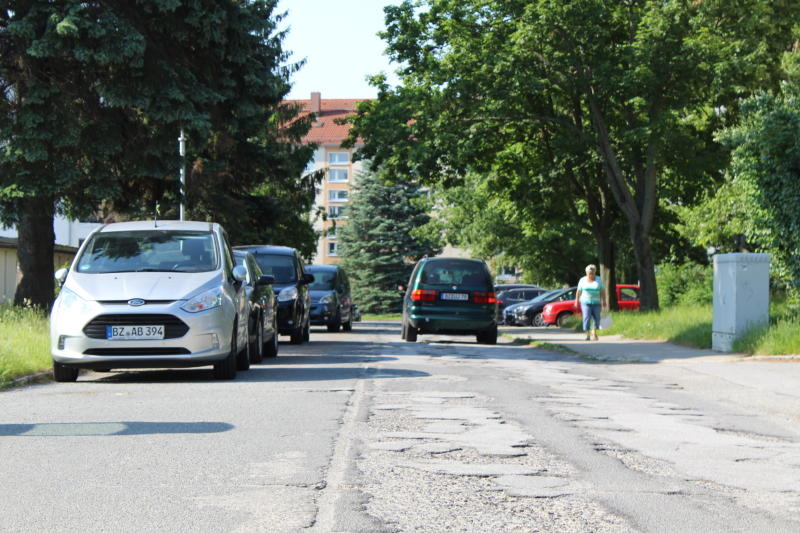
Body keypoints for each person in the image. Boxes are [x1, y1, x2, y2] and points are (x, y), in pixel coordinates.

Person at [574, 264, 605, 340]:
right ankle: (587, 334)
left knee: (597, 318)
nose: (591, 275)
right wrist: (576, 301)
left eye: (592, 273)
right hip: (585, 302)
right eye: (589, 273)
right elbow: (578, 291)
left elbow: (602, 291)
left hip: (596, 302)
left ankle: (594, 332)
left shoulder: (599, 279)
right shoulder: (582, 280)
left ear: (595, 272)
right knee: (586, 317)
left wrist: (603, 300)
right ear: (586, 273)